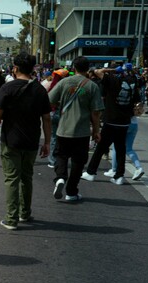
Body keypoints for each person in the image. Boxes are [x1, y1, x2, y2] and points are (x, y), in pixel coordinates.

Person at [0, 52, 52, 230]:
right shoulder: (40, 89)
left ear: (15, 68)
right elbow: (46, 119)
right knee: (27, 178)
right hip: (32, 140)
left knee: (12, 179)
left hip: (11, 140)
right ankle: (24, 213)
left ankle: (11, 219)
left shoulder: (8, 88)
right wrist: (47, 142)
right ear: (33, 68)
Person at [48, 56, 104, 202]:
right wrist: (96, 131)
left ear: (73, 68)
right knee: (79, 162)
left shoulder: (64, 82)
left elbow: (50, 100)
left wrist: (63, 102)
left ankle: (60, 177)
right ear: (88, 69)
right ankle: (71, 192)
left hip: (63, 129)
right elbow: (96, 112)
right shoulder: (92, 86)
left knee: (61, 155)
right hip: (82, 131)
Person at [81, 64, 141, 185]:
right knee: (120, 149)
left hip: (111, 119)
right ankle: (119, 176)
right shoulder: (133, 82)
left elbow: (97, 71)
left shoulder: (113, 80)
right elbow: (136, 100)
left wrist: (112, 70)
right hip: (124, 121)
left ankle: (91, 172)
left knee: (101, 148)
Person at [103, 105, 145, 181]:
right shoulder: (133, 96)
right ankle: (139, 168)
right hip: (134, 124)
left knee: (116, 146)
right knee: (129, 149)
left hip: (124, 123)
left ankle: (114, 169)